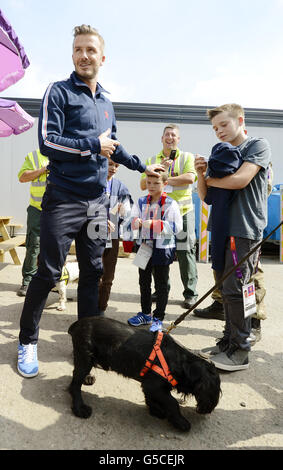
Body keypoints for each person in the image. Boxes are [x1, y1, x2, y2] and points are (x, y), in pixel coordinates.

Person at [17, 24, 163, 378]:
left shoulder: (107, 101)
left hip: (98, 202)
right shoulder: (59, 91)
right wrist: (90, 146)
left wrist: (144, 165)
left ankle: (87, 344)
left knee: (93, 273)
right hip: (63, 199)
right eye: (78, 49)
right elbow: (48, 143)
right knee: (48, 271)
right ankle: (27, 341)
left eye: (91, 50)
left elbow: (114, 143)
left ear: (102, 57)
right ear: (72, 55)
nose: (85, 55)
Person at [195, 103, 271, 371]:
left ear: (240, 120)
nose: (219, 131)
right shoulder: (221, 154)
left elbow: (240, 180)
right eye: (215, 128)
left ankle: (240, 350)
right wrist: (200, 174)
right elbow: (206, 198)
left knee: (238, 289)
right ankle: (228, 341)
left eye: (224, 125)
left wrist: (212, 178)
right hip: (222, 229)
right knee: (225, 290)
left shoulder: (257, 146)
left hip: (243, 230)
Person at [140, 124, 198, 309]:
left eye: (174, 135)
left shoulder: (187, 157)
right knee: (159, 251)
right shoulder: (152, 159)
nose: (170, 138)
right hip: (159, 214)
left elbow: (190, 178)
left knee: (184, 251)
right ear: (162, 138)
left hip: (182, 211)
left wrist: (162, 180)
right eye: (167, 135)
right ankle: (161, 289)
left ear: (178, 139)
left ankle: (190, 293)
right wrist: (156, 171)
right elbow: (143, 184)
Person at [127, 169, 182, 332]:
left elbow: (177, 227)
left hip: (162, 248)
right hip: (144, 246)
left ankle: (158, 317)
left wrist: (154, 224)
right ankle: (145, 313)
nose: (151, 186)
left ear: (165, 184)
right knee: (143, 281)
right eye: (148, 183)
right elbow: (132, 219)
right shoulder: (141, 201)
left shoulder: (171, 203)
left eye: (156, 183)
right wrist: (135, 222)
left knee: (161, 283)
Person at [98, 161, 133, 314]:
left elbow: (128, 211)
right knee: (92, 274)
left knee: (108, 276)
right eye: (110, 164)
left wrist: (124, 210)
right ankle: (88, 308)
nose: (113, 168)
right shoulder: (92, 181)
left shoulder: (120, 186)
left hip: (112, 235)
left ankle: (101, 309)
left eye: (117, 166)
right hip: (92, 233)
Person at [17, 149, 49, 297]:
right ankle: (28, 280)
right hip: (37, 209)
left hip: (58, 210)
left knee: (55, 246)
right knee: (33, 244)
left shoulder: (67, 153)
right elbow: (22, 177)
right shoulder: (35, 156)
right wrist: (44, 169)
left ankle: (51, 281)